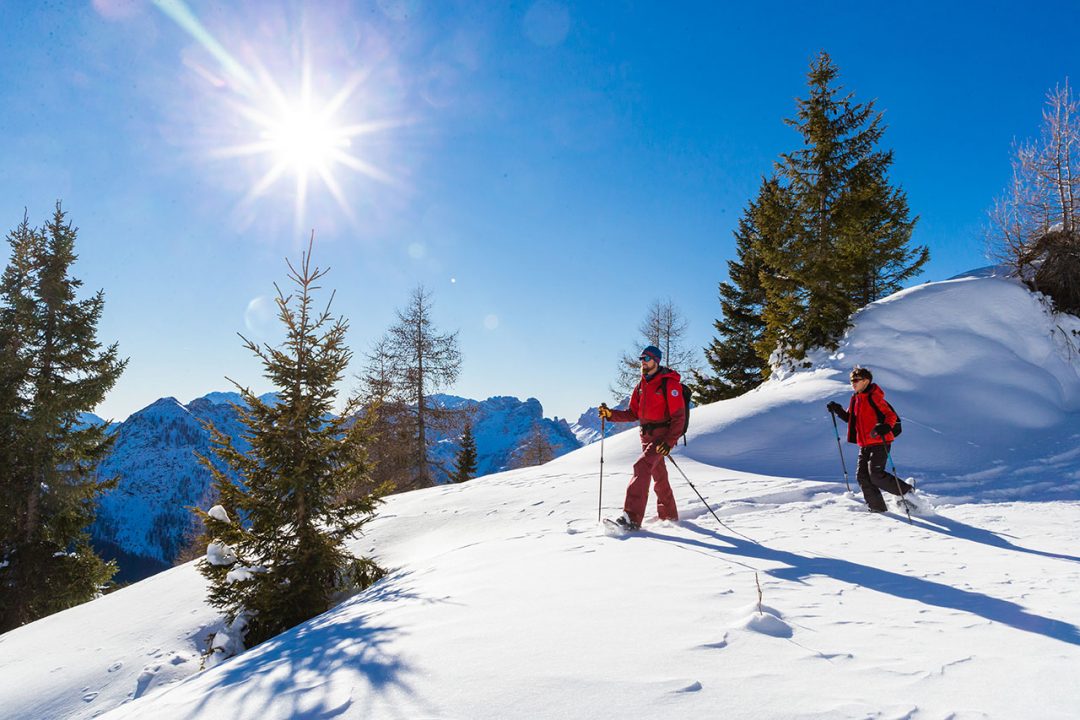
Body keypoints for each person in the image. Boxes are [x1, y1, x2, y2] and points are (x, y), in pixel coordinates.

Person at [598, 345, 685, 530]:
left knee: (642, 466)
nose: (643, 362)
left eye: (646, 358)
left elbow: (679, 416)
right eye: (641, 359)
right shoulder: (640, 386)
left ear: (656, 360)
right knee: (659, 477)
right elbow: (632, 413)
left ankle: (631, 518)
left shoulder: (669, 384)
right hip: (645, 436)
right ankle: (669, 515)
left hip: (661, 437)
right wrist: (610, 414)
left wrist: (669, 442)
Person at [826, 366, 919, 514]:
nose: (853, 383)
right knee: (862, 477)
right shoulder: (856, 399)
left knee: (875, 475)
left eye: (856, 380)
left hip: (880, 442)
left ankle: (906, 491)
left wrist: (885, 427)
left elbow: (891, 416)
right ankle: (877, 508)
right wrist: (837, 410)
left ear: (866, 381)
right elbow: (851, 420)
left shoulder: (873, 397)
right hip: (864, 444)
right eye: (851, 380)